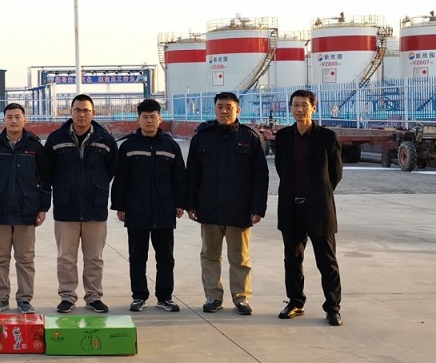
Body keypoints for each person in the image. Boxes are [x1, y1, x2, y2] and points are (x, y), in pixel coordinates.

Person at [186, 91, 269, 315]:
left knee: (239, 258)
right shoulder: (201, 137)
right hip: (209, 207)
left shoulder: (249, 137)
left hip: (239, 209)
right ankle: (213, 297)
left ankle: (241, 298)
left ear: (238, 110)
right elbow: (192, 173)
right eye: (220, 107)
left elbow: (260, 176)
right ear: (214, 109)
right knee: (210, 256)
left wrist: (257, 208)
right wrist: (191, 204)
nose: (224, 111)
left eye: (229, 107)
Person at [273, 89, 344, 326]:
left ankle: (333, 307)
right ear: (290, 108)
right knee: (292, 259)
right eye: (295, 105)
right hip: (291, 208)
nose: (300, 109)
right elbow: (281, 169)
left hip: (319, 209)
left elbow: (335, 173)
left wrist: (318, 193)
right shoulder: (283, 137)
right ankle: (295, 302)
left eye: (304, 105)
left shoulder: (327, 137)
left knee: (327, 261)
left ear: (313, 107)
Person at [0, 103, 52, 315]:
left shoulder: (34, 146)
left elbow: (45, 179)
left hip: (27, 209)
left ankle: (25, 299)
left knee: (25, 258)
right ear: (4, 120)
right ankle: (0, 299)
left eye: (18, 116)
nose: (14, 121)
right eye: (9, 117)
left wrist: (43, 208)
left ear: (25, 119)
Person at [45, 93, 118, 314]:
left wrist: (96, 186)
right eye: (77, 110)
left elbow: (112, 169)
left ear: (93, 113)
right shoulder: (56, 139)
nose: (82, 115)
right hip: (65, 208)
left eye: (86, 111)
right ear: (71, 112)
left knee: (94, 258)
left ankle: (94, 297)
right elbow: (47, 171)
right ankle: (67, 296)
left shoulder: (105, 140)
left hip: (95, 208)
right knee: (65, 258)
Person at [111, 99, 186, 313]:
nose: (149, 121)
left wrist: (180, 203)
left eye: (153, 117)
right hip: (137, 211)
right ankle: (139, 296)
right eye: (145, 117)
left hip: (164, 210)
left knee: (165, 258)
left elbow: (179, 177)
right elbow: (121, 179)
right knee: (137, 257)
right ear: (138, 119)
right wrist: (120, 205)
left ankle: (165, 297)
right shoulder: (129, 146)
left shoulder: (170, 146)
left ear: (160, 118)